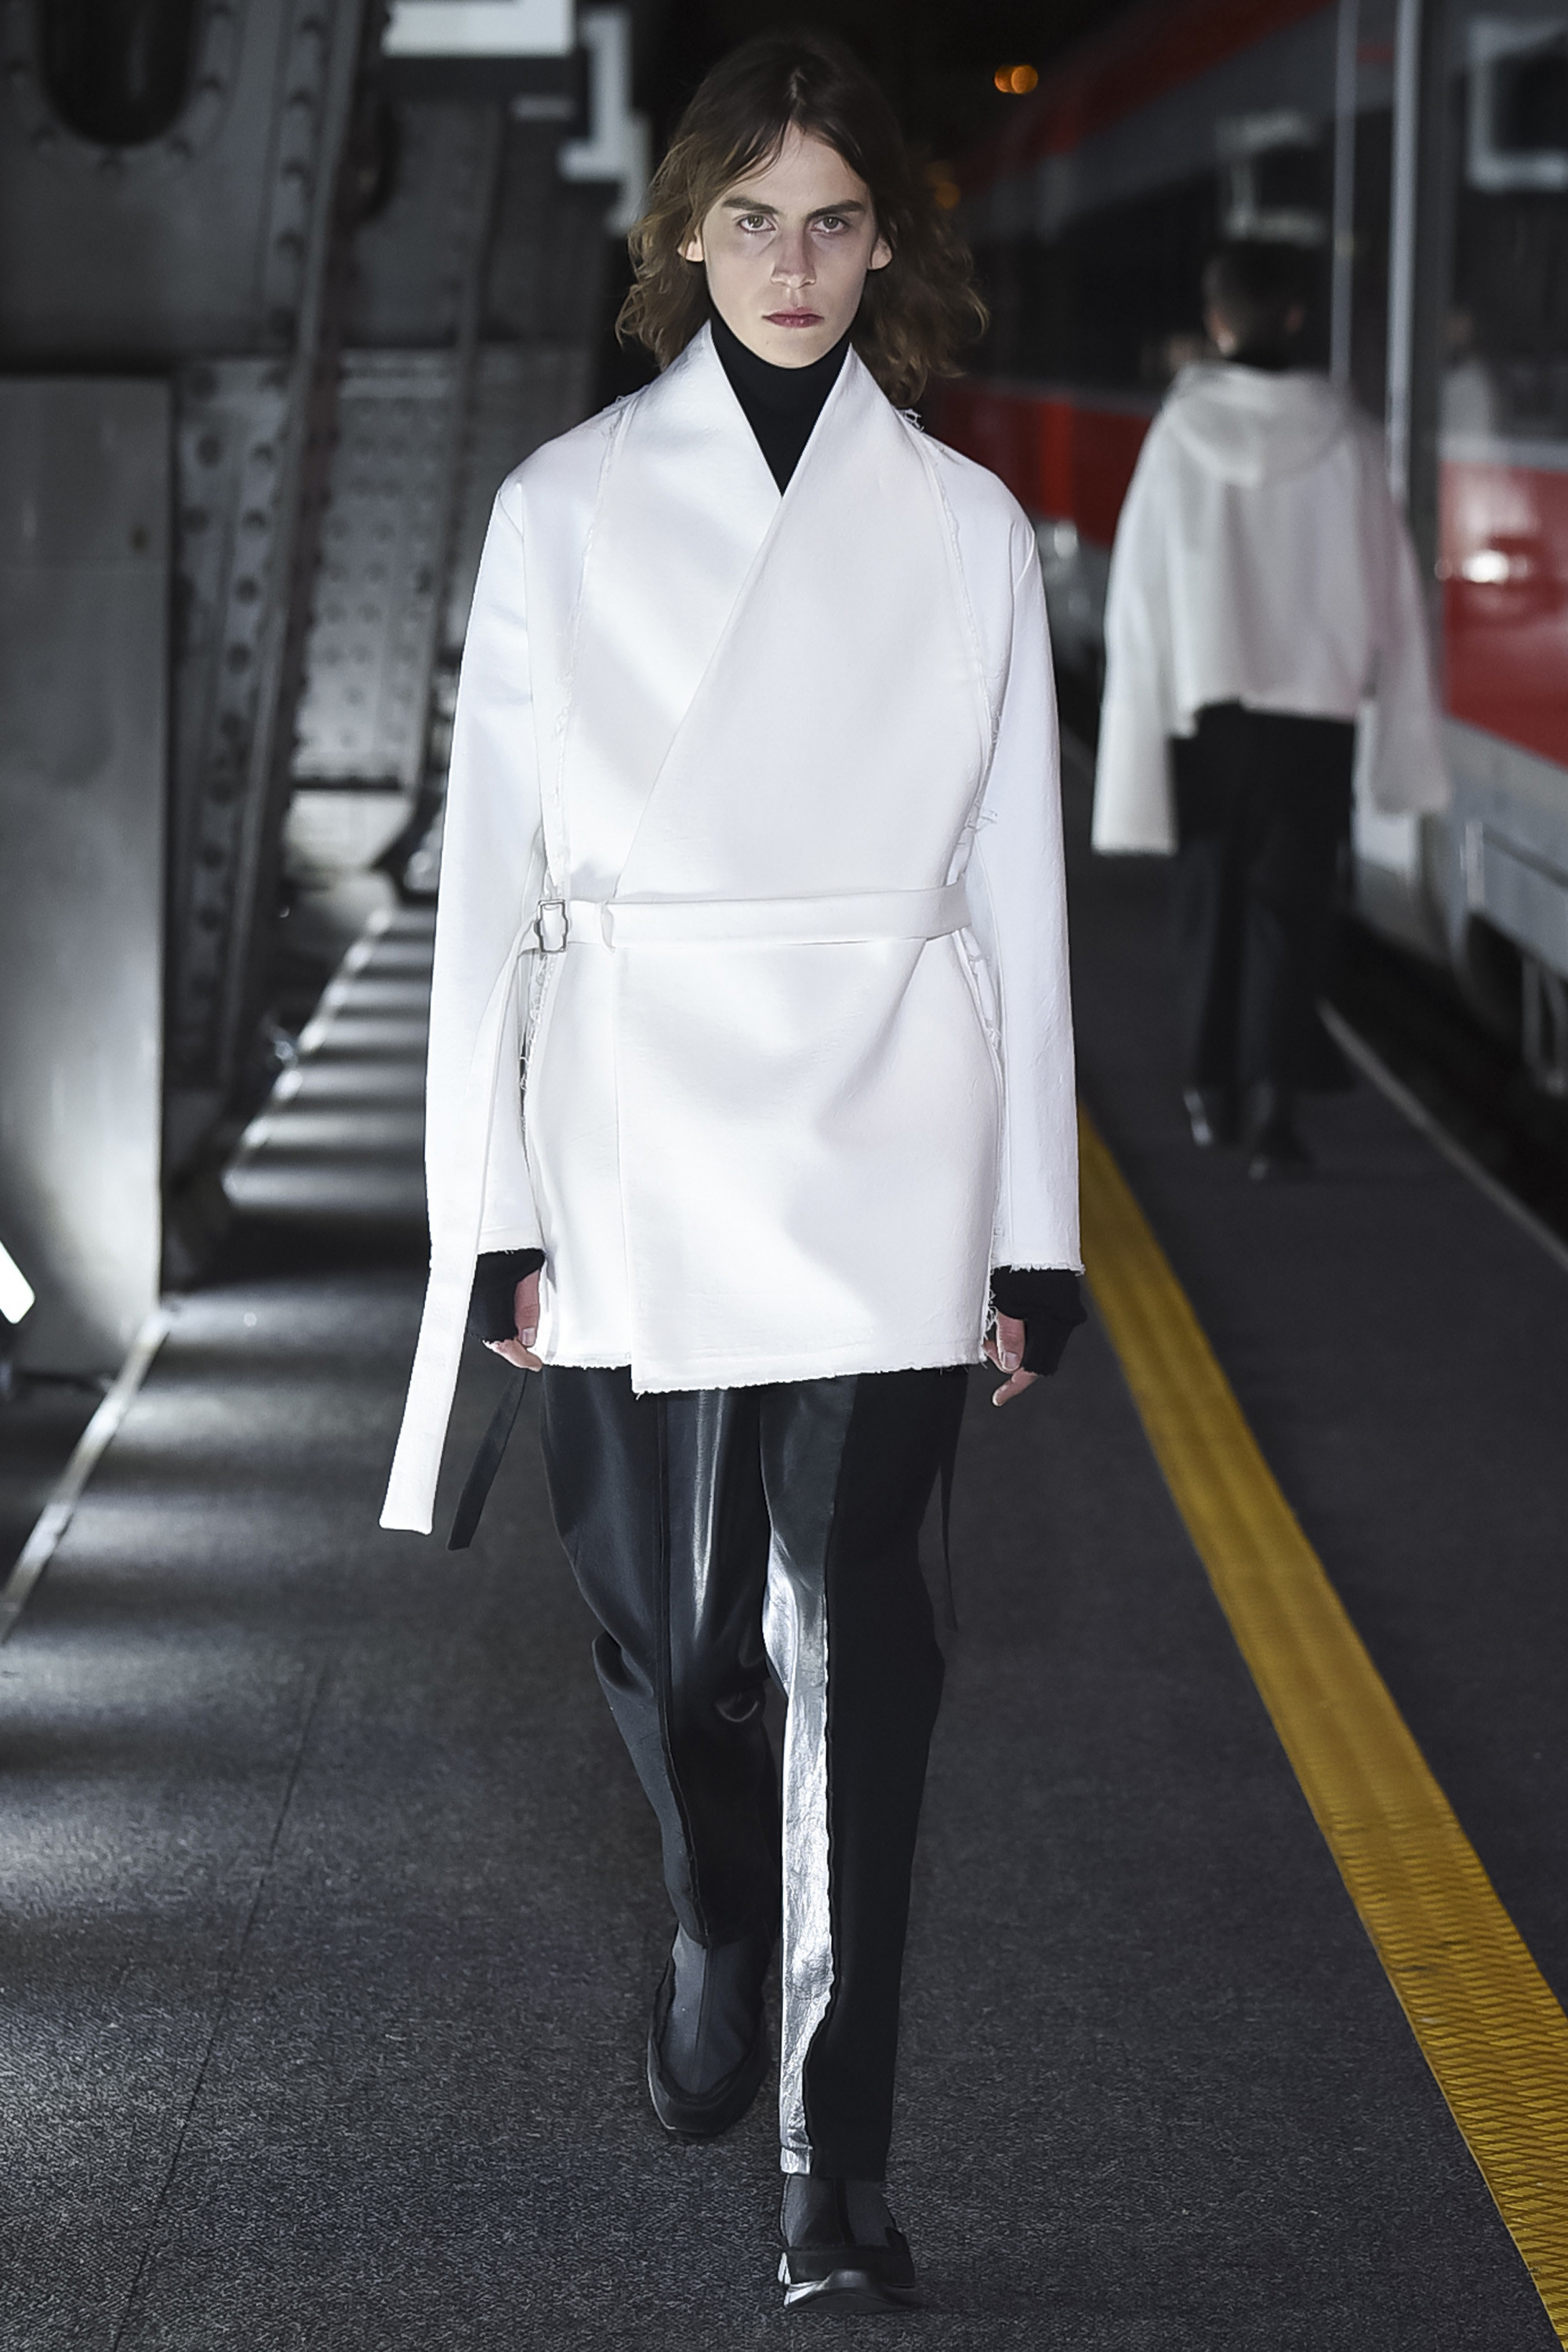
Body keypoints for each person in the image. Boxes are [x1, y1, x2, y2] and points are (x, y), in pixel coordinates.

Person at [380, 32, 1083, 2314]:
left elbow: (1013, 887)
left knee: (857, 1653)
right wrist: (488, 1201)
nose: (792, 264)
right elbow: (492, 880)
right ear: (686, 233)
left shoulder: (960, 529)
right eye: (753, 219)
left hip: (890, 1120)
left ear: (887, 248)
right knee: (680, 1643)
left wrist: (1033, 1231)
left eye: (834, 222)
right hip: (630, 1128)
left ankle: (829, 2167)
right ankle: (709, 1903)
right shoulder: (565, 506)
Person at [1093, 241, 1449, 1176]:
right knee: (1289, 909)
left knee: (1208, 897)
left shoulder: (1178, 435)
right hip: (1313, 715)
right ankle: (1272, 1117)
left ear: (1215, 323)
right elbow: (1393, 586)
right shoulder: (1349, 437)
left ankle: (1207, 1086)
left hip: (1207, 711)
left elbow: (1138, 592)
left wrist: (1145, 704)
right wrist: (1392, 699)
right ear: (1294, 317)